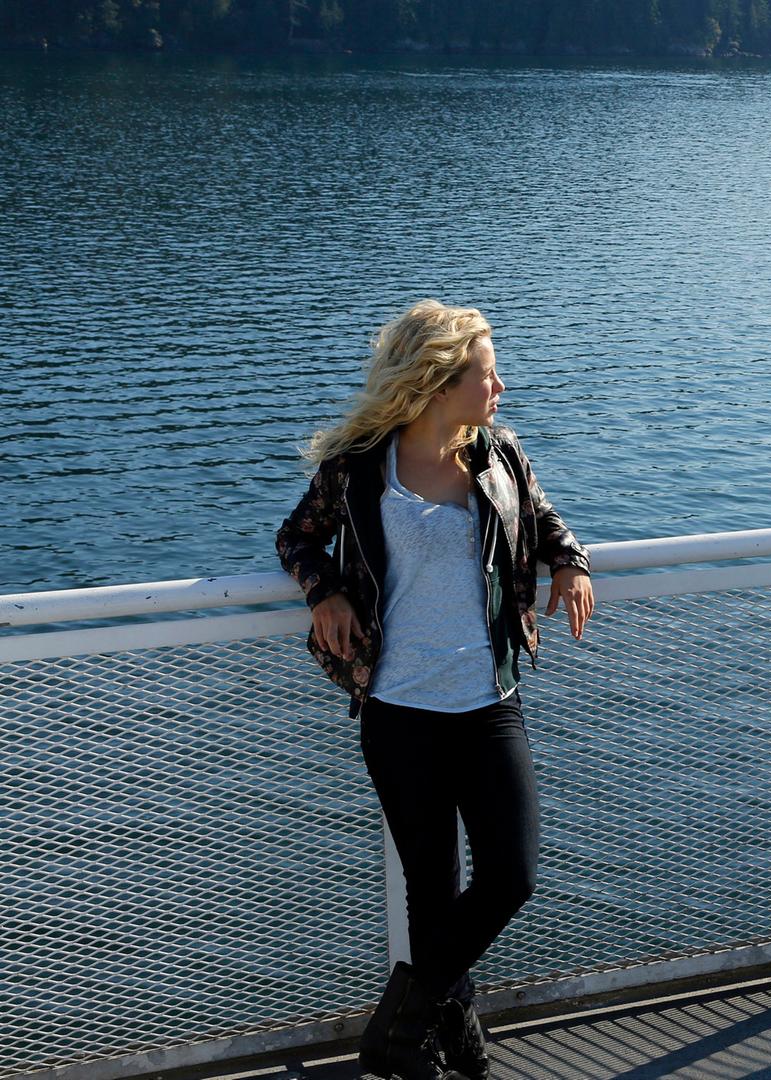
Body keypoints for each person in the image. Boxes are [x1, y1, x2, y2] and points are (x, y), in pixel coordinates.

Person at [276, 300, 595, 1078]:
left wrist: (571, 560)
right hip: (398, 710)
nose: (501, 388)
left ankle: (398, 1026)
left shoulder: (500, 456)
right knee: (432, 887)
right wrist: (324, 592)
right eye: (488, 375)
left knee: (511, 874)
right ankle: (446, 1038)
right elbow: (297, 536)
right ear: (440, 382)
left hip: (488, 702)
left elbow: (543, 518)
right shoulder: (360, 467)